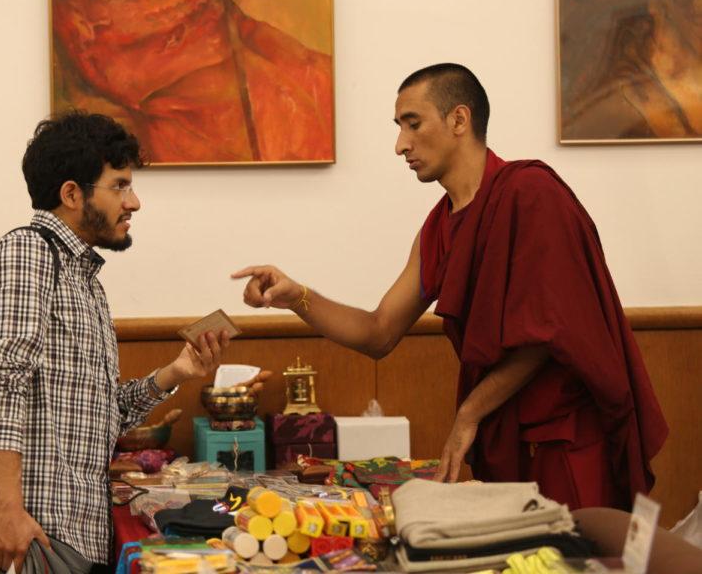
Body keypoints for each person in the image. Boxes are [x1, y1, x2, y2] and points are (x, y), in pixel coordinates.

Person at [233, 63, 668, 511]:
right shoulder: (439, 227)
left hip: (566, 440)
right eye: (399, 127)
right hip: (507, 436)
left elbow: (546, 334)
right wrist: (296, 296)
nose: (401, 144)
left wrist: (469, 413)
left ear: (459, 120)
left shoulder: (530, 193)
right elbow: (379, 331)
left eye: (413, 123)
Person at [0, 111, 229, 573]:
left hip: (70, 532)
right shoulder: (27, 254)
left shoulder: (83, 280)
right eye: (120, 185)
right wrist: (7, 509)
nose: (135, 201)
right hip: (28, 532)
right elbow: (1, 385)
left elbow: (104, 413)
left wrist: (175, 373)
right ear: (71, 194)